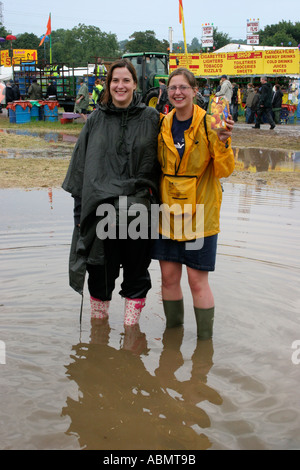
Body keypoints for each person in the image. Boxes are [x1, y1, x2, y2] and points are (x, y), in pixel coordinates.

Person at [62, 59, 160, 327]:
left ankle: (131, 333)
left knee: (136, 272)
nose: (120, 85)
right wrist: (80, 215)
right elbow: (81, 169)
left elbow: (165, 159)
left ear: (134, 84)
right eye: (115, 80)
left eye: (126, 80)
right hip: (99, 210)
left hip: (138, 208)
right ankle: (99, 334)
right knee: (99, 271)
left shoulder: (151, 118)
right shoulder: (95, 120)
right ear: (108, 85)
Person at [151, 68, 235, 340]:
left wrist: (223, 142)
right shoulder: (162, 123)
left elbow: (224, 171)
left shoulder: (211, 122)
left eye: (184, 87)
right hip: (169, 212)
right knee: (168, 279)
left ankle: (204, 343)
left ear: (195, 91)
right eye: (173, 87)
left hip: (201, 212)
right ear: (167, 92)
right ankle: (173, 336)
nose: (178, 92)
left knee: (197, 281)